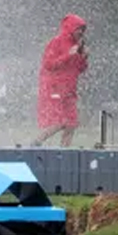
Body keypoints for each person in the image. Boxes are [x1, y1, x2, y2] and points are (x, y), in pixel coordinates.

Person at [31, 13, 88, 147]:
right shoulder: (56, 42)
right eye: (78, 28)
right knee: (60, 122)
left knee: (71, 124)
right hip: (55, 88)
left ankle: (64, 153)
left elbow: (79, 69)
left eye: (82, 29)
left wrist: (84, 57)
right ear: (70, 28)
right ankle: (36, 142)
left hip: (70, 90)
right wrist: (69, 55)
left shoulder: (76, 45)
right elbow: (48, 64)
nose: (81, 32)